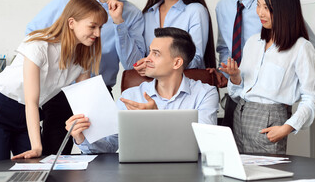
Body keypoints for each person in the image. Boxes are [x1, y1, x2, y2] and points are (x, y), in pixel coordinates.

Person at [25, 0, 145, 155]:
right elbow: (32, 37)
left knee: (100, 155)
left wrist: (118, 23)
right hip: (59, 91)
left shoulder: (131, 14)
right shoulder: (66, 2)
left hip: (98, 93)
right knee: (54, 155)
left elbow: (133, 65)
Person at [0, 0, 107, 164]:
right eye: (93, 26)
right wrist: (37, 147)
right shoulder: (38, 46)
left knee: (34, 171)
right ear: (71, 23)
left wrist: (98, 141)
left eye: (100, 28)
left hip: (28, 118)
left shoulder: (82, 59)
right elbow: (31, 100)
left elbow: (84, 104)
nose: (97, 33)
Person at [209, 0, 315, 129]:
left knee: (265, 157)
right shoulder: (224, 6)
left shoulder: (274, 3)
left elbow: (313, 51)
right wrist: (226, 73)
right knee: (232, 154)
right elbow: (224, 47)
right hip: (236, 94)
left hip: (269, 105)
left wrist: (282, 88)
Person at [65, 27, 219, 154]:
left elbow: (205, 145)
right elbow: (111, 145)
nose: (147, 59)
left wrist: (157, 118)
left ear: (177, 62)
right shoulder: (131, 95)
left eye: (156, 54)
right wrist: (81, 138)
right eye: (150, 51)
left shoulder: (205, 93)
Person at [220, 0, 315, 154]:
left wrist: (288, 127)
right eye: (258, 5)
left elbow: (311, 97)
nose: (260, 12)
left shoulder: (301, 47)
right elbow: (239, 93)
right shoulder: (253, 42)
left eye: (267, 8)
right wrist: (235, 78)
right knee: (237, 174)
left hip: (269, 120)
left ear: (285, 10)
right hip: (240, 114)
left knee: (267, 176)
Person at [134, 0, 216, 76]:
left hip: (187, 85)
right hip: (153, 86)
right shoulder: (148, 14)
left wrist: (156, 65)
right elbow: (142, 57)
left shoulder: (195, 11)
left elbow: (195, 59)